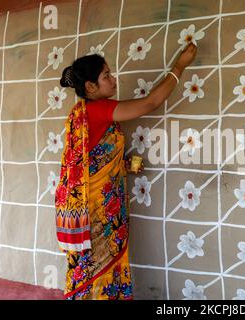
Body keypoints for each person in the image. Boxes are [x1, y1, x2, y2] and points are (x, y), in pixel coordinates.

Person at [56, 43, 197, 300]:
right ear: (90, 87)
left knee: (91, 272)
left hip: (86, 211)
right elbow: (150, 102)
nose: (113, 79)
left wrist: (121, 164)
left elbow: (90, 161)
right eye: (106, 76)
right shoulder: (98, 110)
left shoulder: (81, 114)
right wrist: (179, 66)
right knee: (95, 273)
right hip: (97, 213)